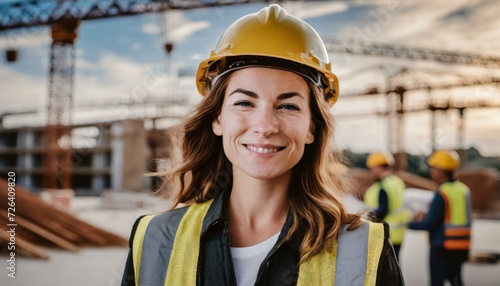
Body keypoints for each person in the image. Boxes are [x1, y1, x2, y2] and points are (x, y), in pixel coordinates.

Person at [121, 4, 404, 286]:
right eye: (244, 102)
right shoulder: (154, 239)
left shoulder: (364, 249)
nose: (265, 126)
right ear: (217, 119)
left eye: (289, 106)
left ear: (312, 128)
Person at [408, 150, 472, 286]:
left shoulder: (443, 192)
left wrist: (409, 224)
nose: (431, 171)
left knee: (437, 282)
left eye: (434, 168)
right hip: (462, 245)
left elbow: (431, 223)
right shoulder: (463, 189)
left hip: (442, 246)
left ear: (442, 171)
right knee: (456, 281)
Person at [364, 152, 409, 260]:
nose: (371, 172)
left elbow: (383, 210)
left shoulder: (383, 186)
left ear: (378, 168)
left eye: (372, 168)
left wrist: (365, 217)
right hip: (399, 234)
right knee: (395, 266)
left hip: (385, 234)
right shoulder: (397, 182)